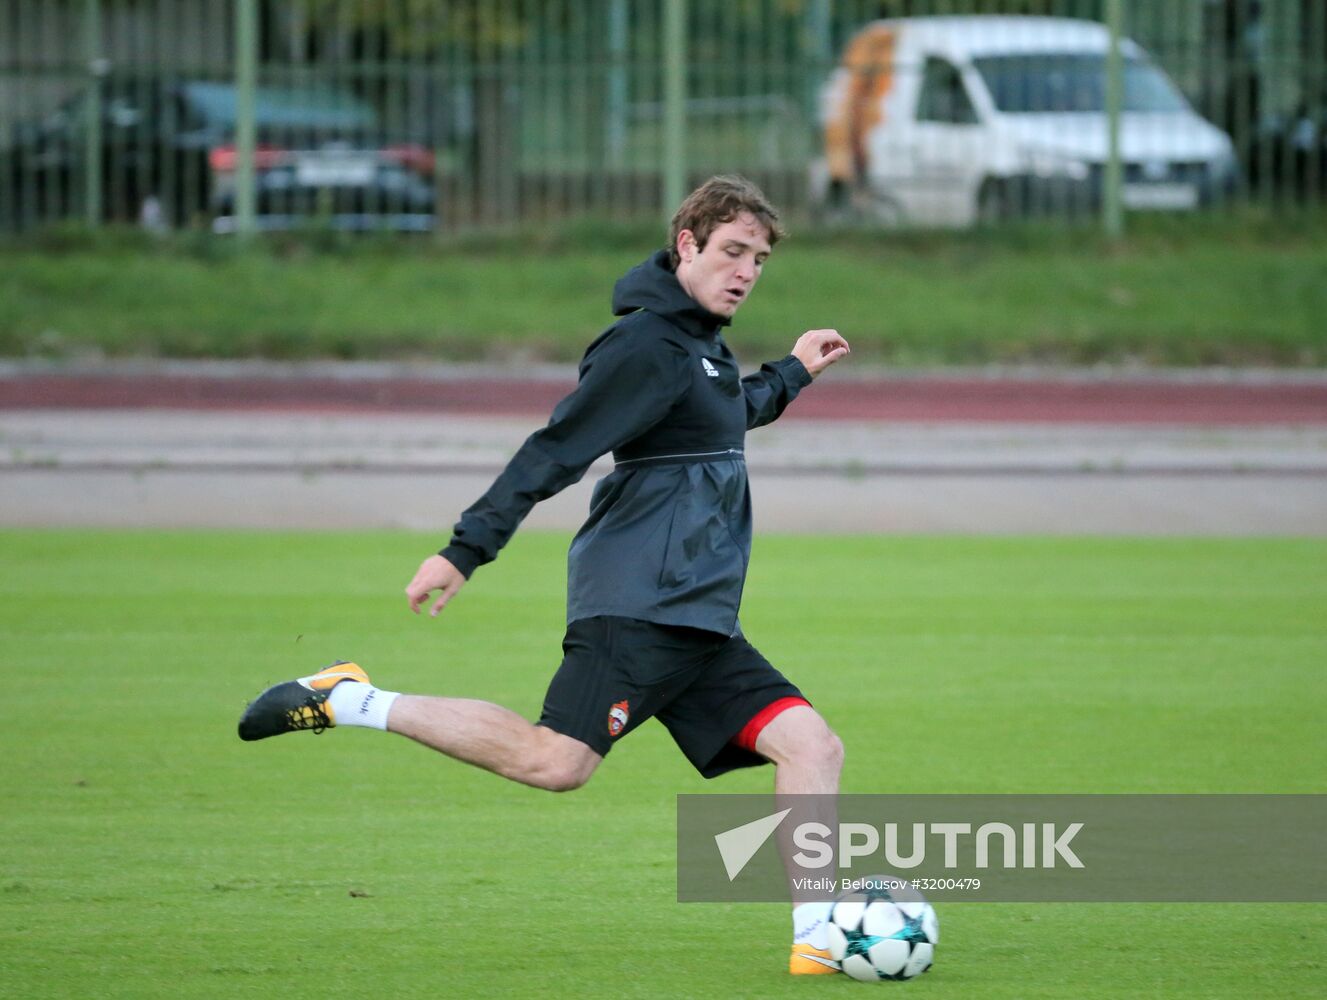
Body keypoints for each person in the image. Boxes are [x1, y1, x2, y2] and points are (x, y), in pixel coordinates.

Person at [237, 174, 851, 975]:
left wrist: (793, 372)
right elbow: (555, 451)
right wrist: (464, 549)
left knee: (811, 746)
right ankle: (347, 698)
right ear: (687, 245)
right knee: (554, 762)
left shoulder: (699, 345)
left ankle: (822, 938)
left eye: (759, 259)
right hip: (638, 605)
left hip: (697, 615)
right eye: (733, 251)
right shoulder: (644, 345)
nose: (746, 270)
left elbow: (723, 408)